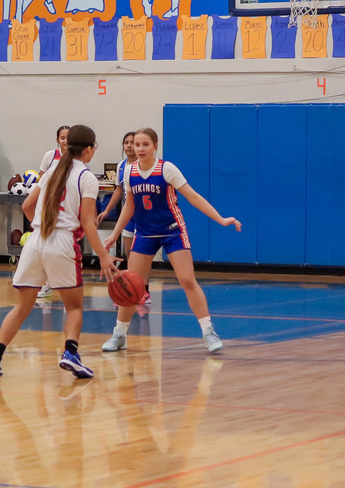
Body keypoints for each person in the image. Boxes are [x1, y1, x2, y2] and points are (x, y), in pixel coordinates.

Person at [0, 124, 119, 378]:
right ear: (89, 149)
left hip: (36, 240)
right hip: (63, 242)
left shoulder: (52, 170)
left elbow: (27, 206)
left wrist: (42, 226)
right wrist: (103, 255)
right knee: (75, 307)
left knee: (21, 308)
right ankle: (70, 352)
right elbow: (88, 223)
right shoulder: (86, 177)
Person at [101, 127, 241, 354]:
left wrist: (221, 219)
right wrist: (115, 234)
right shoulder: (129, 171)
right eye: (137, 145)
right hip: (145, 232)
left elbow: (193, 197)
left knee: (187, 280)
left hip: (172, 231)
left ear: (155, 146)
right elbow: (129, 206)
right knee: (131, 284)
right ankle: (119, 335)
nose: (140, 149)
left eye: (145, 144)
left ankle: (208, 332)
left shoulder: (166, 169)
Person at [35, 124, 71, 298]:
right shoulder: (50, 156)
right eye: (62, 137)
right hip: (49, 207)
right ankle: (46, 282)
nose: (65, 140)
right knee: (47, 247)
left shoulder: (78, 160)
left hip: (67, 209)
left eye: (68, 137)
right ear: (57, 140)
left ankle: (66, 287)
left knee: (65, 249)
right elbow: (41, 180)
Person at [97, 131, 138, 257]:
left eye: (132, 143)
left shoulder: (144, 165)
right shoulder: (121, 166)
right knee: (128, 252)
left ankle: (141, 276)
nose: (129, 146)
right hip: (128, 214)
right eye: (126, 143)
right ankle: (132, 276)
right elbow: (119, 190)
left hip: (143, 214)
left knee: (140, 252)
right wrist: (107, 210)